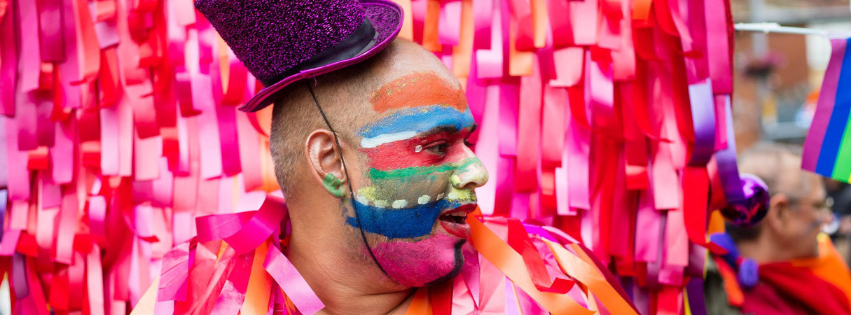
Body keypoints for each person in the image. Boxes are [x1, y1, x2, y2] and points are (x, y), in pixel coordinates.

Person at [130, 0, 637, 314]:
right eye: (436, 146)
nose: (477, 171)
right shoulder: (193, 298)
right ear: (330, 161)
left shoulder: (548, 277)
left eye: (468, 141)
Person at [704, 143, 851, 315]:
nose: (827, 218)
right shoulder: (710, 291)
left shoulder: (821, 267)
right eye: (818, 206)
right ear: (779, 214)